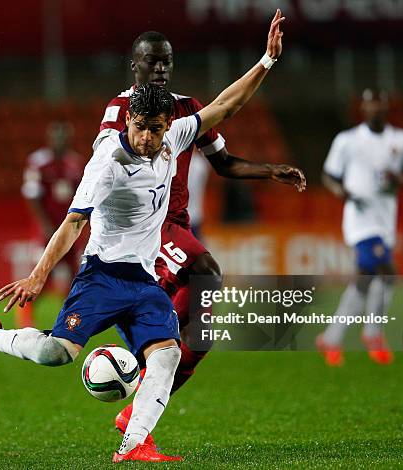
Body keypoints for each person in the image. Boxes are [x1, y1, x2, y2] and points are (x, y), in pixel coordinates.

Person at [0, 9, 287, 462]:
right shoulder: (106, 163)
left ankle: (135, 441)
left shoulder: (173, 138)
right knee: (53, 353)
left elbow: (225, 106)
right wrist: (38, 275)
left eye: (156, 130)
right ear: (128, 122)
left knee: (167, 354)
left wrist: (267, 60)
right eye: (140, 128)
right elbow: (73, 222)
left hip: (143, 281)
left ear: (168, 128)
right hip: (101, 276)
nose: (147, 138)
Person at [95, 25, 306, 437]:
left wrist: (269, 170)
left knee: (201, 338)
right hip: (144, 228)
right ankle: (147, 354)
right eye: (151, 60)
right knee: (206, 270)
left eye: (166, 61)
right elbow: (106, 166)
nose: (159, 67)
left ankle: (138, 404)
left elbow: (223, 160)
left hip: (177, 224)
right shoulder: (120, 108)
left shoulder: (186, 109)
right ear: (134, 64)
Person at [316, 89, 403, 367]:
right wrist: (339, 190)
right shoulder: (348, 140)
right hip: (359, 219)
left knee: (364, 281)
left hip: (385, 220)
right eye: (370, 104)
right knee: (386, 271)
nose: (375, 109)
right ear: (363, 108)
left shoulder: (401, 141)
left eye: (379, 104)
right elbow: (328, 175)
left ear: (386, 107)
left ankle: (331, 337)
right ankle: (373, 333)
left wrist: (398, 176)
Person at [18, 121, 85, 327]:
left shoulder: (76, 162)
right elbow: (32, 196)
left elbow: (83, 196)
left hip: (69, 230)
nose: (60, 141)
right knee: (42, 275)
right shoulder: (38, 162)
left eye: (63, 136)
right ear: (49, 138)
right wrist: (44, 225)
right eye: (56, 136)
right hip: (46, 231)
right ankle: (26, 316)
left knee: (74, 277)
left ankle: (71, 320)